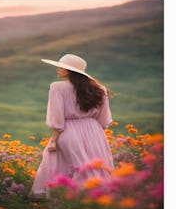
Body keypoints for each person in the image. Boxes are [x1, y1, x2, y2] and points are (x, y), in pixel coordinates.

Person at [30, 54, 114, 198]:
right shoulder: (99, 88)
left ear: (70, 71)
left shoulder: (57, 87)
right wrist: (94, 132)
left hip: (69, 131)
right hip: (95, 132)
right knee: (94, 167)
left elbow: (57, 118)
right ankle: (96, 198)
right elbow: (104, 119)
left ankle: (69, 200)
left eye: (61, 67)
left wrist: (54, 140)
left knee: (66, 165)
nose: (57, 69)